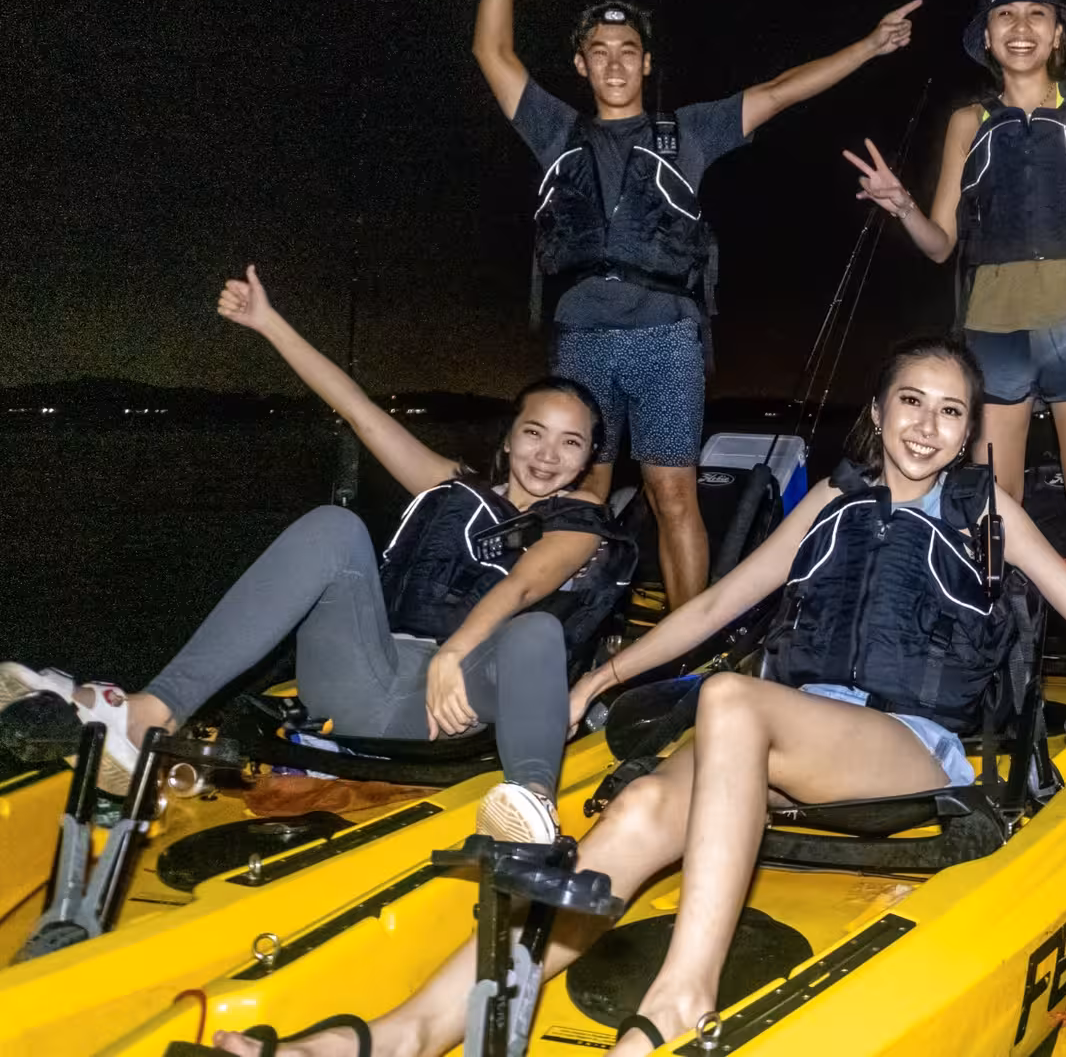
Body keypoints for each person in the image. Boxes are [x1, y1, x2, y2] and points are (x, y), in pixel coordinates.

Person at [209, 335, 1066, 1057]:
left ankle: (681, 997)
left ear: (970, 428)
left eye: (952, 412)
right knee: (632, 814)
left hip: (906, 750)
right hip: (780, 744)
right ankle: (404, 1032)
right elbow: (708, 611)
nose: (929, 428)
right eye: (912, 404)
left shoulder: (985, 512)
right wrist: (603, 676)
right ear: (882, 409)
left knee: (732, 706)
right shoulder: (832, 507)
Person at [0, 266, 622, 844]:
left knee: (536, 630)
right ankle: (148, 712)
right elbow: (356, 407)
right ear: (510, 437)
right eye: (535, 432)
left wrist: (454, 654)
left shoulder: (580, 523)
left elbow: (522, 588)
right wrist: (269, 323)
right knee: (332, 524)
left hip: (451, 703)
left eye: (571, 443)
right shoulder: (449, 485)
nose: (548, 454)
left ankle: (532, 805)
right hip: (359, 676)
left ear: (587, 457)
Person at [475, 0, 921, 612]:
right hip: (583, 336)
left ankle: (690, 645)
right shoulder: (555, 131)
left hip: (666, 339)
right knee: (579, 491)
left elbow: (779, 92)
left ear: (646, 63)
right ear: (582, 65)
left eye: (628, 52)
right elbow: (491, 52)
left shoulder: (691, 131)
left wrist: (868, 47)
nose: (615, 64)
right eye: (600, 53)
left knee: (671, 490)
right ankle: (565, 624)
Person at [840, 0, 1066, 710]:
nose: (1023, 27)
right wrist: (902, 205)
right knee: (988, 501)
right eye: (1007, 17)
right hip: (993, 322)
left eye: (1038, 14)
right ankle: (986, 671)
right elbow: (940, 245)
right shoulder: (969, 121)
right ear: (988, 39)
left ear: (1058, 33)